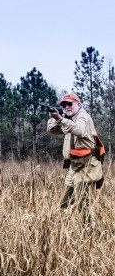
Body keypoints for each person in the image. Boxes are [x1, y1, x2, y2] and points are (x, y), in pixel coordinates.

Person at [46, 93, 104, 225]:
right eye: (64, 105)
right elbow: (51, 130)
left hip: (86, 165)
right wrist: (55, 118)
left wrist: (61, 119)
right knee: (64, 201)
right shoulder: (68, 118)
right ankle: (63, 230)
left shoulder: (83, 117)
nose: (67, 107)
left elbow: (80, 130)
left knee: (83, 203)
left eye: (70, 104)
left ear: (79, 104)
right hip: (74, 166)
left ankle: (89, 233)